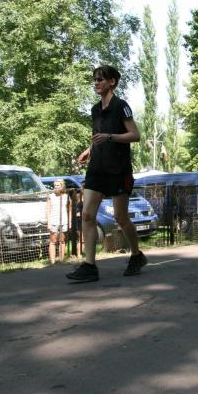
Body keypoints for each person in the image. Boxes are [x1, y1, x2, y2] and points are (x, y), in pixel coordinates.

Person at [66, 65, 147, 283]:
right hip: (97, 169)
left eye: (100, 79)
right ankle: (89, 266)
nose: (96, 83)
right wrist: (89, 149)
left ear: (112, 82)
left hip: (118, 169)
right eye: (95, 80)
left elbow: (135, 135)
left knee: (121, 217)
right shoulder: (95, 109)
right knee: (87, 215)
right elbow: (98, 136)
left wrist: (110, 137)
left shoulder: (122, 106)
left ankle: (136, 255)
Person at [46, 179, 70, 264]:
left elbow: (69, 209)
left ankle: (61, 260)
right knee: (53, 241)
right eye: (55, 185)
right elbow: (48, 210)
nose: (56, 187)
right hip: (53, 221)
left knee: (62, 241)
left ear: (62, 186)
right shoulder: (50, 196)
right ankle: (52, 262)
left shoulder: (66, 196)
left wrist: (69, 221)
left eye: (58, 185)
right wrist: (49, 222)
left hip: (64, 221)